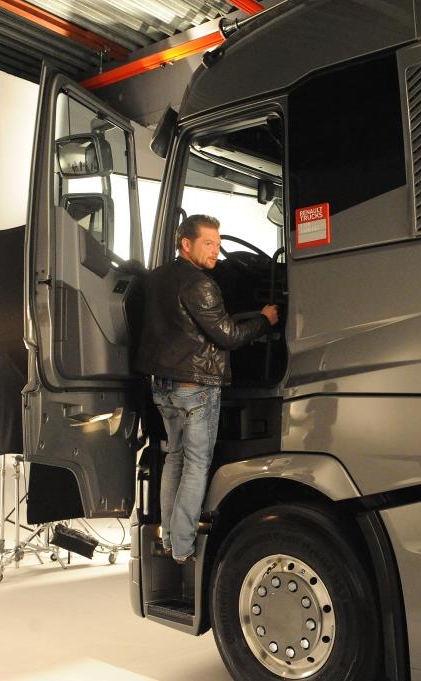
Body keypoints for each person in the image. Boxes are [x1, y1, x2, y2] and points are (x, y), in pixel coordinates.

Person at [135, 214, 278, 563]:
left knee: (175, 458)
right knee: (197, 464)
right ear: (186, 244)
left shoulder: (155, 278)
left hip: (163, 386)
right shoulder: (201, 284)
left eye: (218, 244)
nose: (216, 251)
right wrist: (264, 320)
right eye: (209, 243)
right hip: (195, 388)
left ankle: (171, 540)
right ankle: (184, 547)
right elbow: (227, 335)